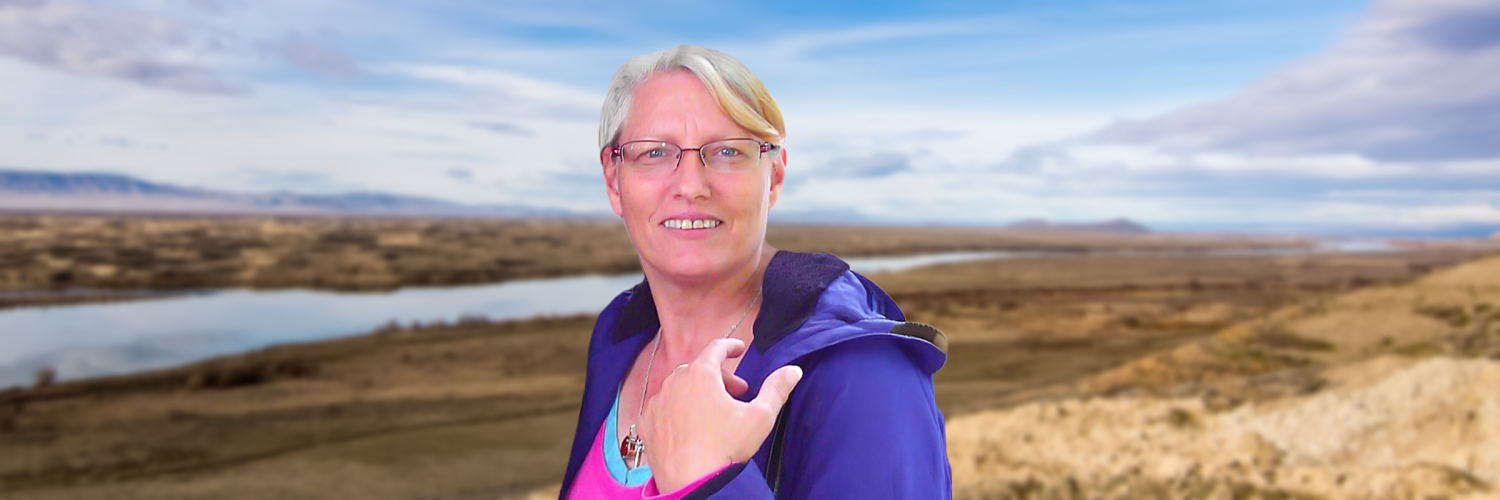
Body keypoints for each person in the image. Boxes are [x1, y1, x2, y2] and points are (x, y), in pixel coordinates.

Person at [559, 45, 952, 499]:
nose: (690, 186)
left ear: (775, 176)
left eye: (728, 151)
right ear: (614, 180)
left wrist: (707, 481)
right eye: (654, 153)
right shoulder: (620, 334)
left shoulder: (864, 375)